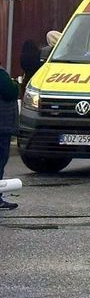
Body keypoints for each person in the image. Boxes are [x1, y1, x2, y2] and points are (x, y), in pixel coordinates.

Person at [0, 67, 19, 210]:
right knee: (0, 160)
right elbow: (11, 91)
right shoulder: (1, 74)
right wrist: (15, 83)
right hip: (2, 125)